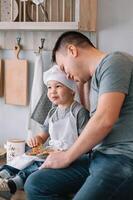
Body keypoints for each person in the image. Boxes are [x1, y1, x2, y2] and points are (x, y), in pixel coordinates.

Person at [24, 31, 133, 200]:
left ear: (72, 51)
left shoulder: (115, 61)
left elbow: (104, 120)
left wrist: (66, 157)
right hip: (99, 156)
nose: (66, 75)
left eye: (63, 67)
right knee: (35, 184)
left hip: (121, 158)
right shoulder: (95, 79)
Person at [0, 64, 90, 196]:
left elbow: (86, 141)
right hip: (50, 150)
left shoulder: (79, 112)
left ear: (72, 90)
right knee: (26, 154)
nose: (52, 91)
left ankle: (14, 184)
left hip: (70, 154)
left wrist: (67, 154)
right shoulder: (52, 112)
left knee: (38, 165)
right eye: (49, 87)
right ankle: (6, 172)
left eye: (58, 86)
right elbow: (44, 135)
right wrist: (38, 139)